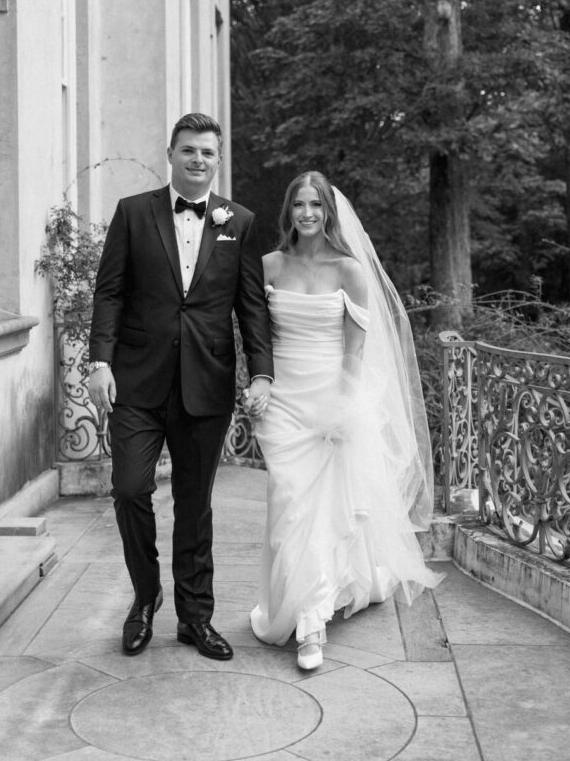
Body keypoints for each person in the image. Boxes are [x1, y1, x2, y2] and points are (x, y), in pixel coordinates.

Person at [88, 112, 273, 659]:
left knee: (195, 506)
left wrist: (260, 372)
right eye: (188, 150)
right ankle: (145, 598)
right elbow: (110, 293)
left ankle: (196, 618)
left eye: (207, 153)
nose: (197, 160)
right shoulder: (133, 213)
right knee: (129, 488)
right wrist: (100, 361)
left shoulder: (239, 221)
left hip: (206, 385)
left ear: (218, 161)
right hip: (137, 383)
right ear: (170, 154)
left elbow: (251, 307)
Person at [250, 171, 442, 670]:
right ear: (288, 211)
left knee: (323, 511)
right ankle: (298, 602)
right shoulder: (269, 266)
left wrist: (342, 411)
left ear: (329, 213)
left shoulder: (349, 271)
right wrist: (257, 383)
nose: (308, 213)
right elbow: (255, 337)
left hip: (330, 400)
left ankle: (311, 625)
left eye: (316, 205)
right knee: (289, 505)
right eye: (299, 205)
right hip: (284, 401)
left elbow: (355, 355)